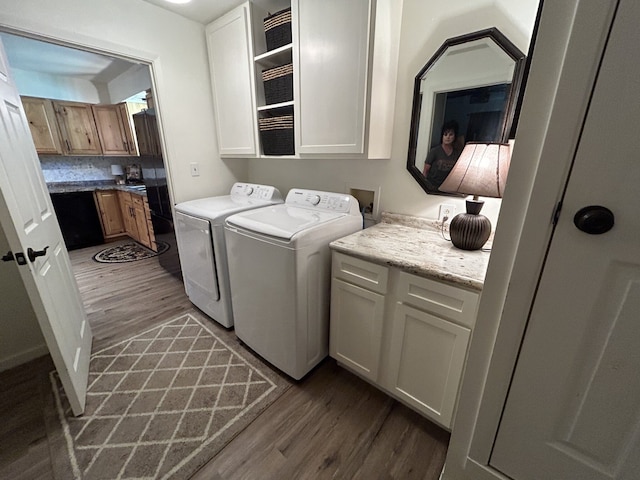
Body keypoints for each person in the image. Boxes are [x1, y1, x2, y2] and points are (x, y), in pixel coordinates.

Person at [423, 120, 462, 190]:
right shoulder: (434, 151)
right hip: (432, 187)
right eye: (445, 134)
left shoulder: (457, 154)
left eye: (451, 134)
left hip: (448, 188)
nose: (448, 137)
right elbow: (425, 171)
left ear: (454, 136)